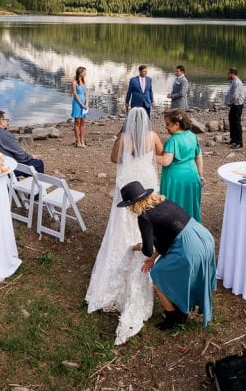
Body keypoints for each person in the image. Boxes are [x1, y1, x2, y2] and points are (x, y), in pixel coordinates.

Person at [85, 108, 164, 344]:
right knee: (147, 221)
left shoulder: (123, 138)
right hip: (147, 181)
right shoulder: (153, 136)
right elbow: (159, 154)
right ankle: (149, 253)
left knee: (120, 226)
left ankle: (118, 263)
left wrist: (123, 138)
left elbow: (113, 159)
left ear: (128, 121)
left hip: (128, 183)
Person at [120, 181, 216, 331]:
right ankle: (184, 304)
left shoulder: (144, 216)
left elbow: (147, 250)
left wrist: (138, 247)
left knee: (158, 274)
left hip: (189, 247)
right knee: (181, 273)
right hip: (203, 237)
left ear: (132, 205)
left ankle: (173, 317)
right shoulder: (164, 202)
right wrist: (153, 258)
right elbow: (167, 238)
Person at [156, 109, 203, 223]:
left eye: (168, 124)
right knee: (190, 204)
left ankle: (174, 229)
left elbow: (166, 161)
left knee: (174, 205)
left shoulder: (173, 140)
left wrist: (149, 156)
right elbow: (199, 156)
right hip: (192, 175)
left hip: (176, 180)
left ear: (177, 124)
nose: (166, 127)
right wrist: (200, 175)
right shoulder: (192, 136)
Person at [0, 110, 45, 175]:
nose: (8, 123)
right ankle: (36, 186)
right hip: (3, 169)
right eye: (7, 120)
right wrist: (31, 156)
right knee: (38, 163)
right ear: (1, 121)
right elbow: (21, 156)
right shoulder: (4, 134)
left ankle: (15, 183)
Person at [225, 67, 244, 149]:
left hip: (237, 105)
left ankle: (239, 142)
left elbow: (235, 96)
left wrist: (228, 102)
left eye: (228, 73)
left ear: (232, 74)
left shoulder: (236, 82)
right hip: (234, 104)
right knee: (232, 121)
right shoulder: (233, 81)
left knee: (236, 123)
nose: (227, 75)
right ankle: (233, 139)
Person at [70, 66, 88, 148]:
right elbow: (75, 94)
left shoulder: (84, 82)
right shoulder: (74, 82)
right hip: (77, 103)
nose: (85, 73)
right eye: (84, 72)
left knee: (83, 122)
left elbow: (86, 93)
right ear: (80, 73)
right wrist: (81, 104)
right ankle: (77, 141)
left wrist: (86, 103)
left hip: (84, 103)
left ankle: (82, 140)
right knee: (77, 121)